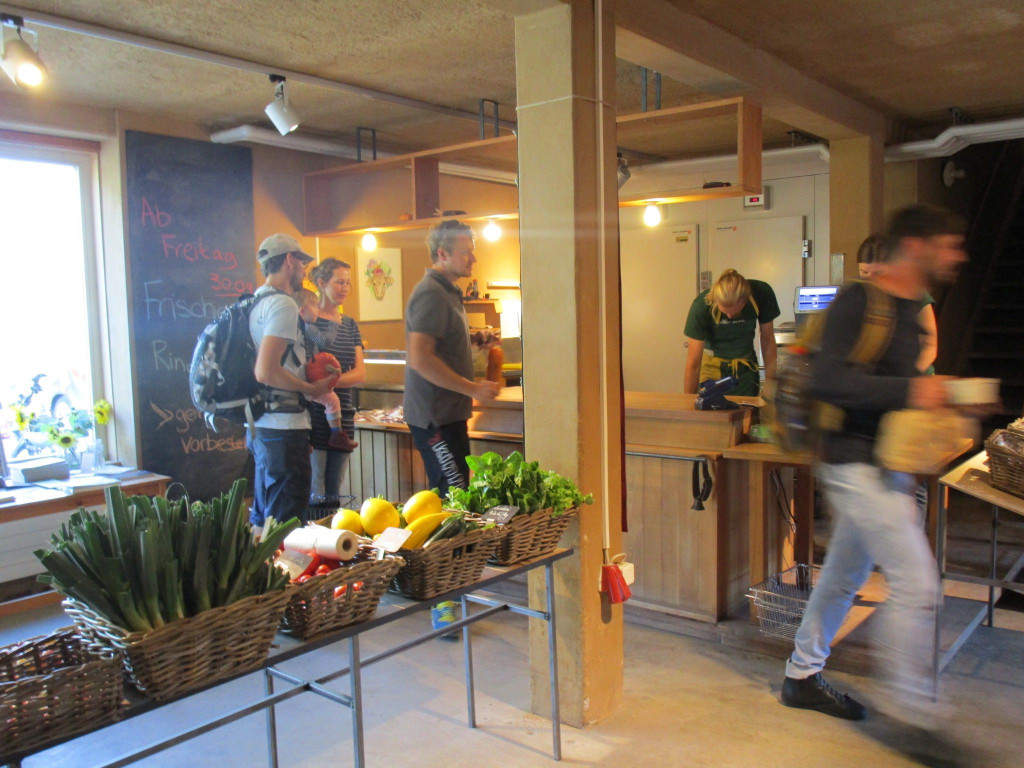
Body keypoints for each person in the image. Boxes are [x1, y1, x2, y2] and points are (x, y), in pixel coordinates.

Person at [780, 204, 967, 725]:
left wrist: (942, 397)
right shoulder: (859, 300)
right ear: (916, 245)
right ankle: (916, 716)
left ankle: (801, 676)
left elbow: (892, 389)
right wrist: (914, 390)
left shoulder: (914, 310)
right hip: (852, 464)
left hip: (885, 464)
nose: (957, 256)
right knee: (917, 583)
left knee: (845, 575)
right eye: (949, 245)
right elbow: (828, 382)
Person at [404, 220, 500, 633]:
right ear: (442, 254)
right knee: (449, 506)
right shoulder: (430, 293)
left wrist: (473, 342)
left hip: (449, 416)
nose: (473, 257)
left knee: (456, 502)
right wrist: (472, 387)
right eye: (466, 251)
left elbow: (440, 348)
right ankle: (441, 600)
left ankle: (452, 589)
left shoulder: (448, 293)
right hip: (435, 420)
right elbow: (420, 359)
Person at [247, 233, 338, 527]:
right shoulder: (283, 305)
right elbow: (266, 371)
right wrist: (311, 389)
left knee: (264, 519)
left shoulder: (254, 301)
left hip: (260, 425)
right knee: (287, 525)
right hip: (284, 428)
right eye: (302, 262)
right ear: (289, 260)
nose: (303, 270)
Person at [301, 259, 366, 502]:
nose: (345, 288)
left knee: (334, 490)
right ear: (321, 283)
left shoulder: (350, 324)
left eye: (348, 283)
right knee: (315, 490)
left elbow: (360, 373)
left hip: (343, 414)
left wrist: (327, 383)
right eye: (339, 282)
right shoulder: (308, 321)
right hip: (313, 415)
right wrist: (323, 385)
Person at [683, 268, 780, 396]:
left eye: (734, 312)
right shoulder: (701, 305)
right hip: (713, 370)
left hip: (746, 370)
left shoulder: (762, 293)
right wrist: (688, 400)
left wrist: (770, 382)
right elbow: (694, 362)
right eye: (725, 312)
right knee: (710, 407)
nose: (729, 316)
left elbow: (767, 340)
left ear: (745, 300)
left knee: (747, 408)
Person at [858, 233, 938, 374]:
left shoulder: (914, 292)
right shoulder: (858, 296)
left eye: (878, 272)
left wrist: (910, 376)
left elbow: (930, 346)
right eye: (864, 272)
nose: (871, 279)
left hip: (914, 376)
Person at [295, 288, 360, 454]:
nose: (317, 310)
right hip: (309, 377)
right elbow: (324, 342)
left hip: (301, 377)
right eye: (314, 307)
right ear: (302, 311)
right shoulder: (308, 327)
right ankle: (337, 433)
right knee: (332, 401)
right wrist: (334, 324)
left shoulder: (295, 328)